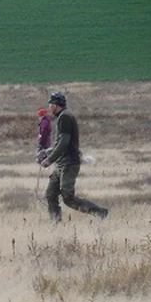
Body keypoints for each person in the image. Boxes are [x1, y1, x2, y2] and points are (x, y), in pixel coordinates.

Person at [40, 92, 108, 221]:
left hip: (68, 163)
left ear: (55, 105)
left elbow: (64, 142)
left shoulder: (65, 117)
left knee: (68, 197)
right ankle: (56, 223)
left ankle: (100, 213)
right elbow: (61, 142)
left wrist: (49, 159)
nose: (49, 107)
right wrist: (49, 151)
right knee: (50, 194)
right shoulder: (63, 116)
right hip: (61, 163)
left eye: (50, 104)